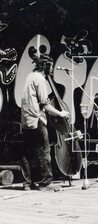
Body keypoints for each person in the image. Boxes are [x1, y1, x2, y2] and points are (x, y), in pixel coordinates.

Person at [21, 53, 70, 190]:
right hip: (37, 119)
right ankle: (46, 183)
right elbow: (45, 105)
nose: (52, 68)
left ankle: (27, 183)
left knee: (27, 152)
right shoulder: (40, 79)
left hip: (26, 119)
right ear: (46, 66)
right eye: (51, 66)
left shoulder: (30, 76)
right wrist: (61, 113)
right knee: (44, 151)